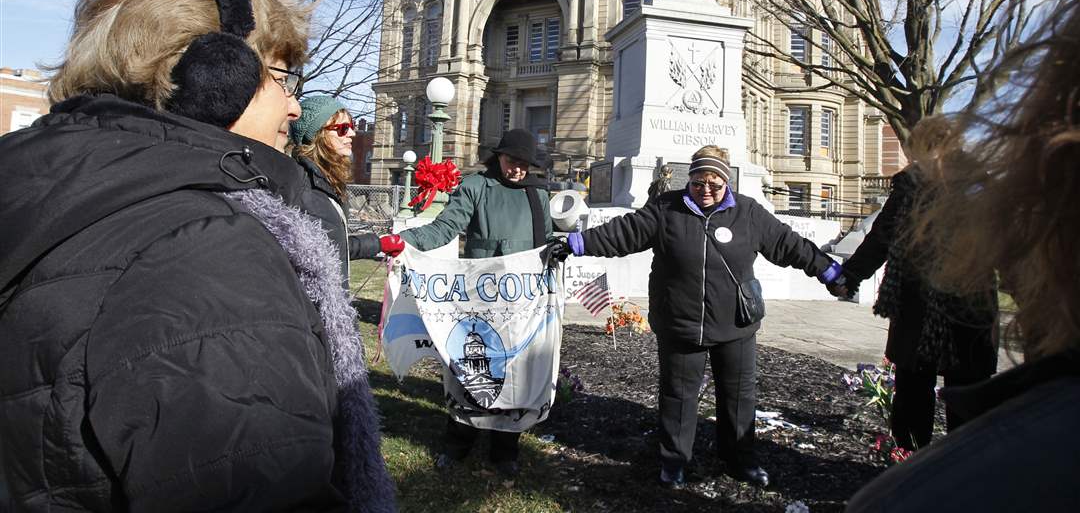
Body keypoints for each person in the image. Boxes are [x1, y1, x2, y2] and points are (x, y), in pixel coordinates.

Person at [0, 0, 395, 512]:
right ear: (214, 75)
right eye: (282, 77)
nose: (294, 104)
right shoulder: (207, 250)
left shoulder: (50, 191)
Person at [846, 0, 1080, 511]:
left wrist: (850, 275)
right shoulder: (988, 182)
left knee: (913, 392)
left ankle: (910, 465)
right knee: (966, 391)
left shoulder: (915, 183)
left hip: (921, 305)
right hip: (971, 305)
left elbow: (882, 239)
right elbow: (1013, 252)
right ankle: (960, 470)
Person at [559, 145, 840, 489]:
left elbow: (789, 244)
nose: (705, 190)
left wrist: (827, 271)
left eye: (714, 183)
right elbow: (624, 233)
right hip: (680, 323)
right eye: (698, 183)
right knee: (678, 396)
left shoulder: (748, 213)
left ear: (727, 182)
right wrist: (576, 243)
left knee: (738, 398)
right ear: (689, 180)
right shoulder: (666, 209)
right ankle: (674, 462)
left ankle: (740, 461)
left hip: (735, 324)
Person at [392, 128, 554, 477]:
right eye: (512, 162)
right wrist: (402, 241)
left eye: (525, 165)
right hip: (481, 297)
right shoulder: (475, 187)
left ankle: (505, 449)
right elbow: (443, 228)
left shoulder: (537, 193)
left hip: (523, 302)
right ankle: (458, 442)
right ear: (498, 157)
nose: (518, 171)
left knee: (514, 373)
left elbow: (548, 240)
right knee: (470, 370)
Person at [836, 116, 998, 452]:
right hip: (917, 303)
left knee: (966, 388)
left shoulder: (981, 187)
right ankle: (908, 456)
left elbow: (1005, 243)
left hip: (968, 303)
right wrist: (849, 276)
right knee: (912, 384)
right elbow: (881, 237)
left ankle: (965, 460)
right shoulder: (908, 187)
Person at [290, 95, 385, 290]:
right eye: (342, 129)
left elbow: (334, 246)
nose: (352, 133)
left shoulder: (328, 182)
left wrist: (378, 244)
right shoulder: (303, 187)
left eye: (351, 125)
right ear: (317, 135)